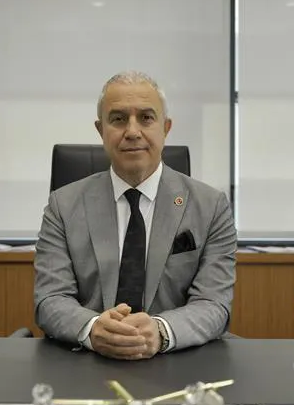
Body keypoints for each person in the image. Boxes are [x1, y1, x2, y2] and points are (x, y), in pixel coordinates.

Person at [34, 71, 237, 360]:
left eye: (146, 118)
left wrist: (161, 330)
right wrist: (93, 328)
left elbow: (214, 303)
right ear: (101, 130)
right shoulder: (63, 206)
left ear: (165, 128)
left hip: (178, 363)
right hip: (87, 362)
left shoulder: (211, 207)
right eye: (118, 119)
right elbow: (50, 298)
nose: (132, 131)